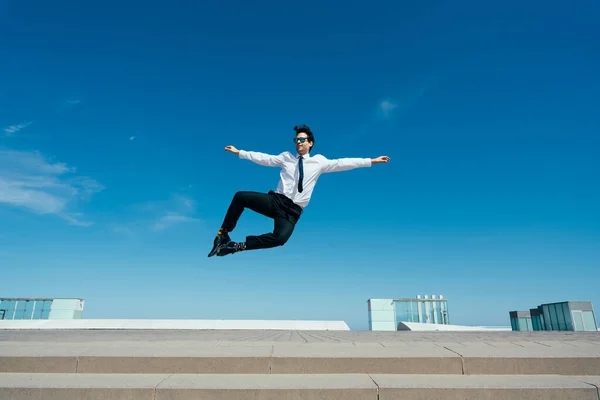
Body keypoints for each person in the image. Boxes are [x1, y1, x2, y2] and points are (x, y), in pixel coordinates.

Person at [208, 124, 390, 257]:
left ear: (310, 143)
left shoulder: (320, 162)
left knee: (280, 239)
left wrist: (371, 161)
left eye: (302, 140)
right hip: (276, 201)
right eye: (297, 140)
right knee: (241, 196)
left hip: (293, 211)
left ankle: (234, 247)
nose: (299, 142)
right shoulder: (286, 157)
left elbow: (343, 163)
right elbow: (264, 158)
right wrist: (240, 152)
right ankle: (223, 235)